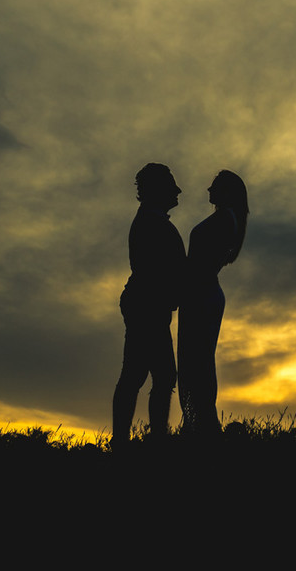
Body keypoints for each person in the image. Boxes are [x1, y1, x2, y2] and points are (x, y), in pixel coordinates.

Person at [112, 163, 186, 449]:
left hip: (149, 305)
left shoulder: (153, 222)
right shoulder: (151, 224)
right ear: (157, 190)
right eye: (171, 185)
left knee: (149, 375)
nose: (177, 190)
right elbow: (159, 271)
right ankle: (144, 442)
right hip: (147, 306)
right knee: (149, 375)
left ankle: (139, 441)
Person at [177, 169, 248, 435]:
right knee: (196, 360)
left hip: (202, 295)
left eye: (214, 186)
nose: (208, 190)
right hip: (200, 294)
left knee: (197, 361)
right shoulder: (224, 218)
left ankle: (203, 424)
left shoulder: (223, 220)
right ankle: (198, 422)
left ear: (227, 191)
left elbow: (202, 264)